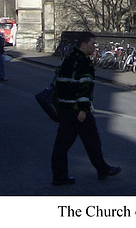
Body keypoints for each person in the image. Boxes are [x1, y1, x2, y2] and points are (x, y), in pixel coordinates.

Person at [51, 30, 121, 186]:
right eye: (92, 43)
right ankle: (101, 169)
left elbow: (59, 81)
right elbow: (84, 86)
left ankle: (60, 175)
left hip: (65, 108)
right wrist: (83, 109)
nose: (95, 47)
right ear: (83, 45)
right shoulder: (84, 61)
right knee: (91, 140)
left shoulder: (68, 58)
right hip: (77, 111)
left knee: (64, 144)